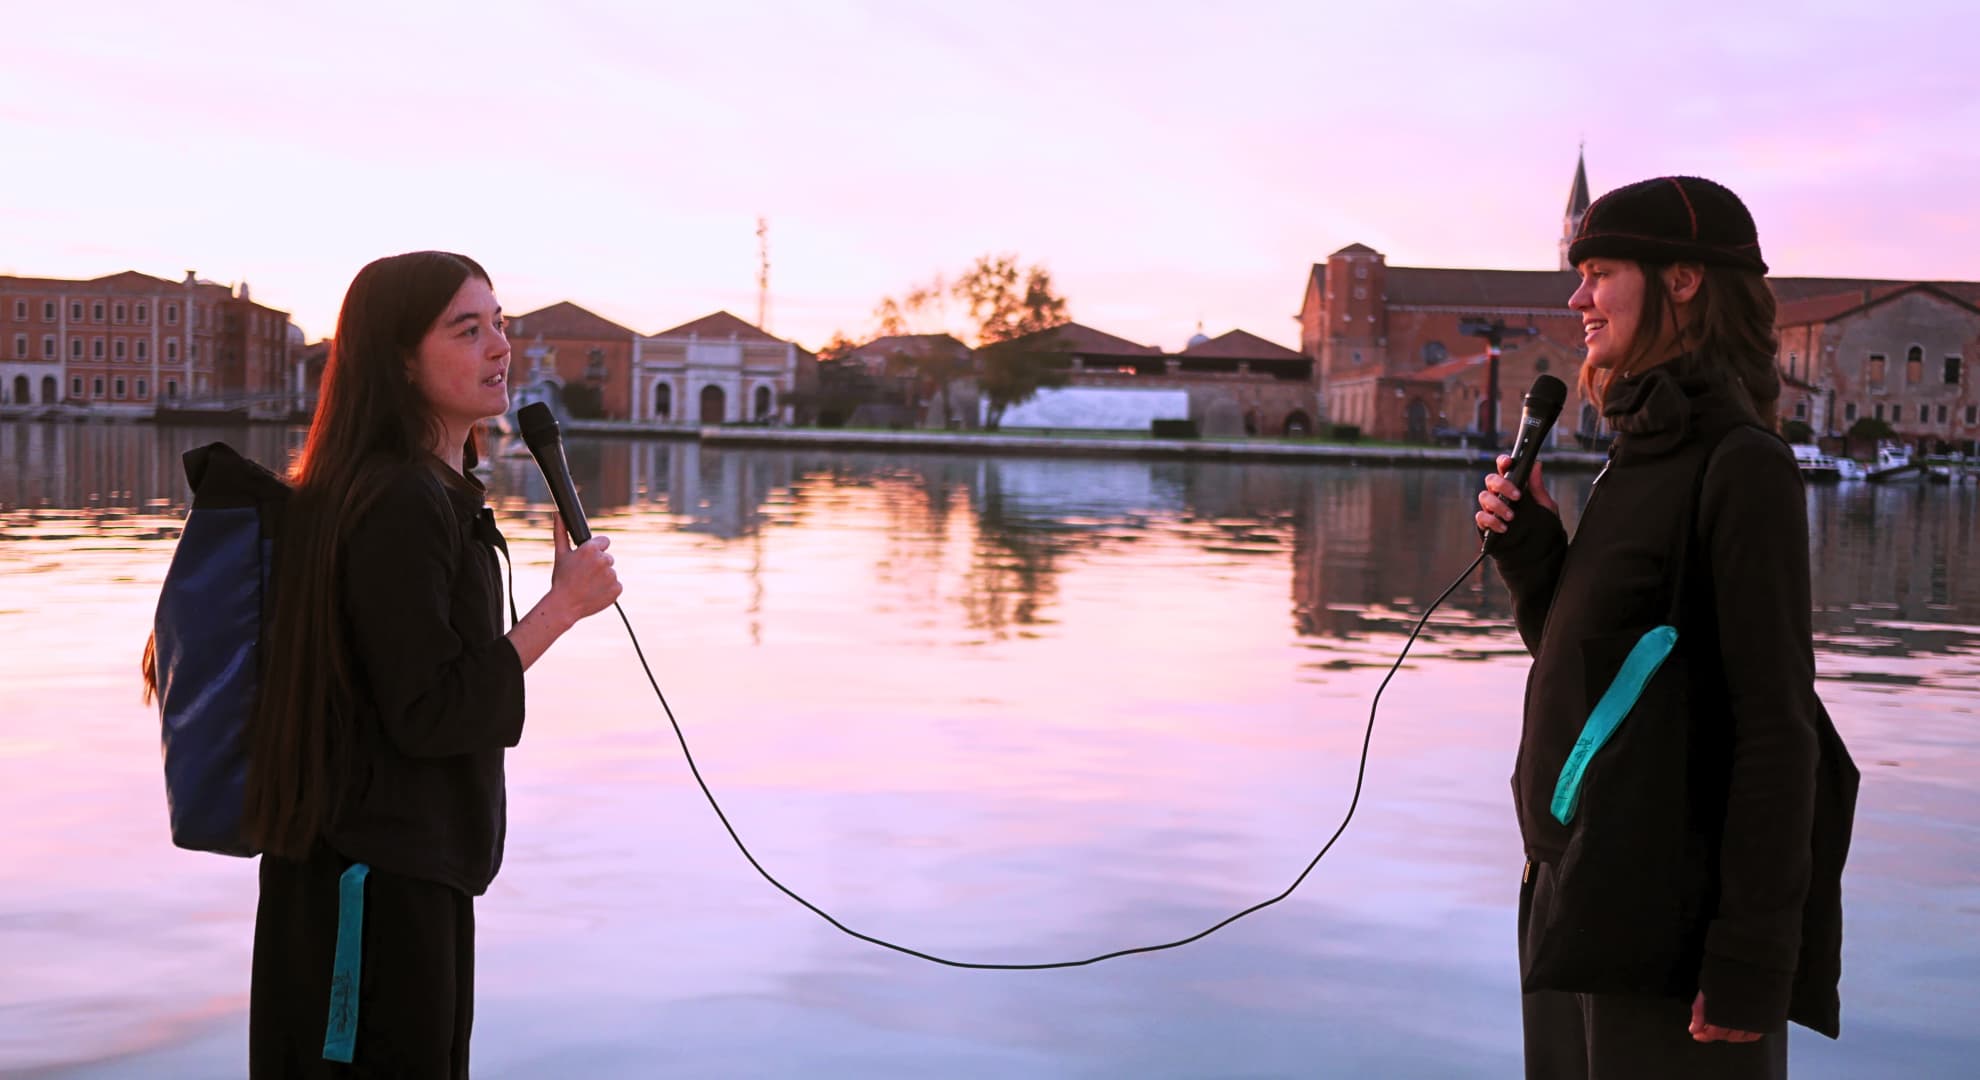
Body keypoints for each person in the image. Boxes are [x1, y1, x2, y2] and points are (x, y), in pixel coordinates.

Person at [1475, 177, 1844, 1079]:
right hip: (1576, 902)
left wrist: (1753, 958)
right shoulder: (1633, 455)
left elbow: (1776, 730)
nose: (1577, 298)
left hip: (1669, 939)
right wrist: (1533, 553)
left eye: (1600, 272)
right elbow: (1613, 675)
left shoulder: (1739, 465)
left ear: (1682, 281)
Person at [239, 252, 621, 1075]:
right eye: (467, 329)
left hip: (411, 875)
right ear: (400, 360)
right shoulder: (399, 502)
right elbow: (430, 710)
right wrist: (561, 610)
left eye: (500, 326)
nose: (499, 348)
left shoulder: (431, 493)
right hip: (370, 889)